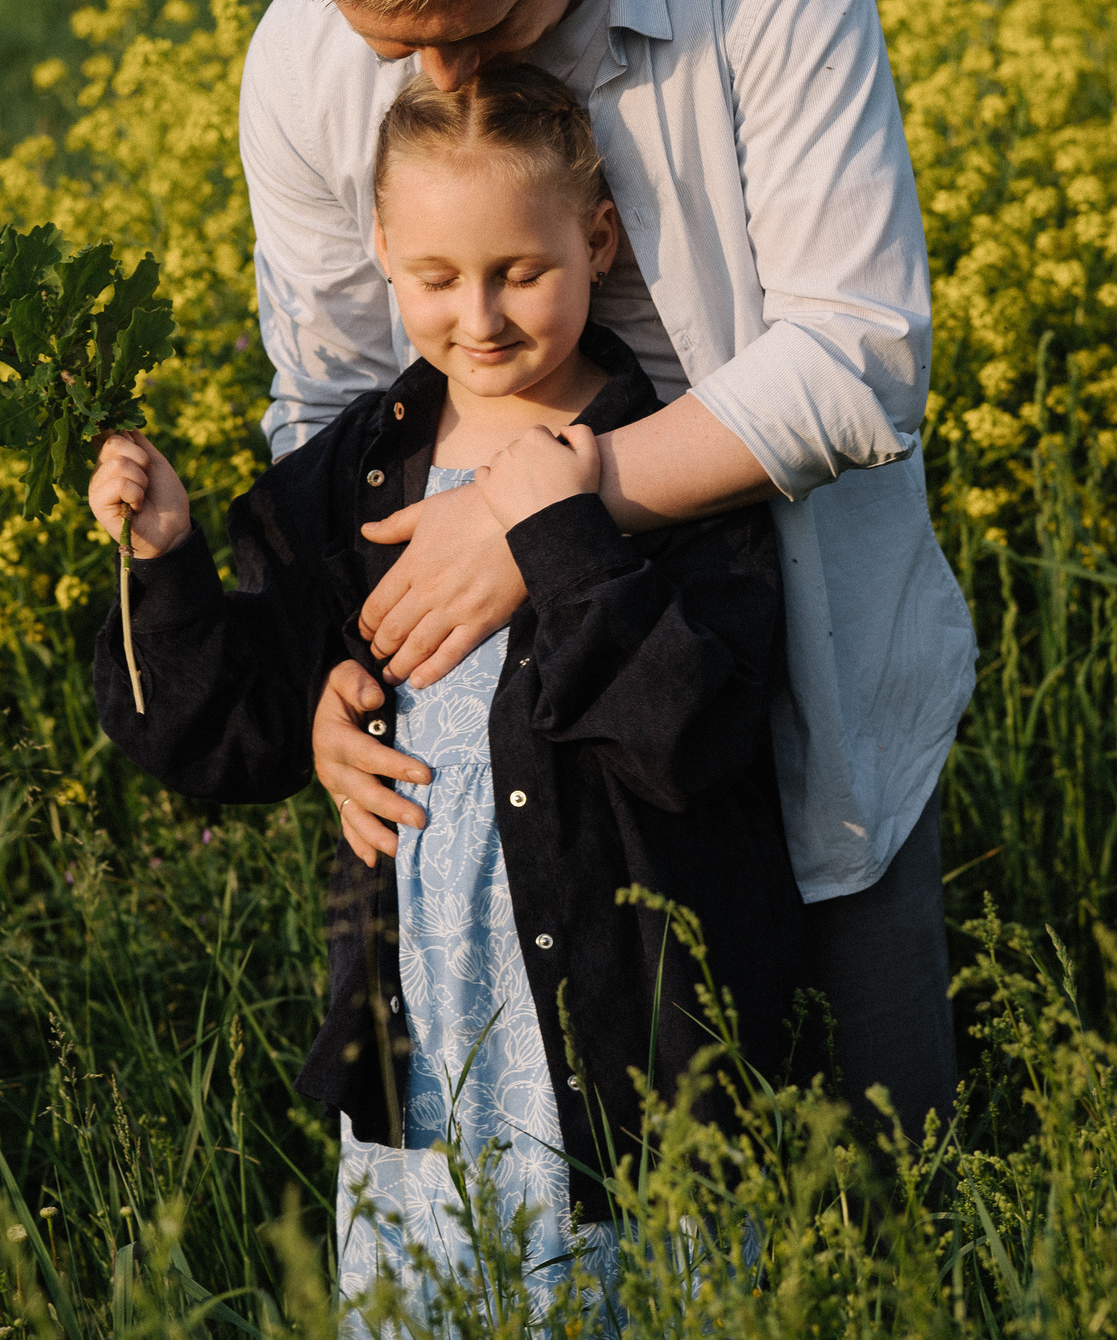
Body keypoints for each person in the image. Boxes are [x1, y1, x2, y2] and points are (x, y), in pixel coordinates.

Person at [243, 0, 974, 1129]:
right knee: (567, 1174)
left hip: (807, 661)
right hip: (501, 744)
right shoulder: (298, 63)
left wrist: (543, 519)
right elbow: (330, 400)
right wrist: (330, 655)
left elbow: (859, 355)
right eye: (399, 44)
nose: (446, 79)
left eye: (486, 29)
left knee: (877, 1152)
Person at [88, 64, 805, 1316]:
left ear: (596, 239)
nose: (478, 316)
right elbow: (224, 736)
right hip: (422, 1069)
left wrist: (563, 539)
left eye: (519, 271)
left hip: (625, 1064)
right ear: (379, 251)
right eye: (433, 278)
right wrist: (166, 565)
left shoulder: (677, 465)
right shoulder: (359, 473)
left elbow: (695, 739)